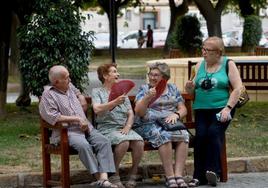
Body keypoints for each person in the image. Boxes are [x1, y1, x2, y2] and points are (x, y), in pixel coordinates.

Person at [39, 65, 118, 188]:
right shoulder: (48, 95)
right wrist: (77, 119)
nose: (70, 80)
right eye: (66, 78)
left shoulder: (68, 85)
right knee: (84, 146)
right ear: (56, 82)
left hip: (87, 128)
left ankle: (104, 179)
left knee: (104, 141)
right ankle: (99, 179)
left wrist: (81, 97)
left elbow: (76, 91)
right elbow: (54, 117)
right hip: (67, 131)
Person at [185, 36, 242, 187]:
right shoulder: (198, 66)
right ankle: (197, 176)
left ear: (218, 53)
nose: (203, 52)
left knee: (213, 132)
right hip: (201, 108)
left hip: (222, 108)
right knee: (201, 137)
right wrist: (189, 87)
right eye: (202, 49)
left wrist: (228, 108)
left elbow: (238, 88)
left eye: (207, 50)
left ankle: (213, 171)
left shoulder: (228, 64)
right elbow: (192, 93)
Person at [133, 62, 189, 188]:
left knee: (184, 135)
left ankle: (178, 175)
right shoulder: (144, 89)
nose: (152, 77)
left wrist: (176, 115)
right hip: (148, 123)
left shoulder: (173, 88)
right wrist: (147, 98)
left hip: (169, 123)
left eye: (156, 75)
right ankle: (170, 177)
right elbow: (139, 112)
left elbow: (183, 109)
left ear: (164, 77)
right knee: (163, 136)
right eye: (151, 74)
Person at [91, 63, 144, 188]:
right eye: (114, 72)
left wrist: (128, 126)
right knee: (124, 142)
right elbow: (97, 109)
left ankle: (133, 173)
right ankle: (114, 174)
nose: (118, 74)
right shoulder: (97, 91)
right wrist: (114, 102)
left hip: (123, 128)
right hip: (106, 128)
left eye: (117, 71)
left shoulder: (122, 92)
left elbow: (130, 113)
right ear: (105, 75)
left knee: (139, 142)